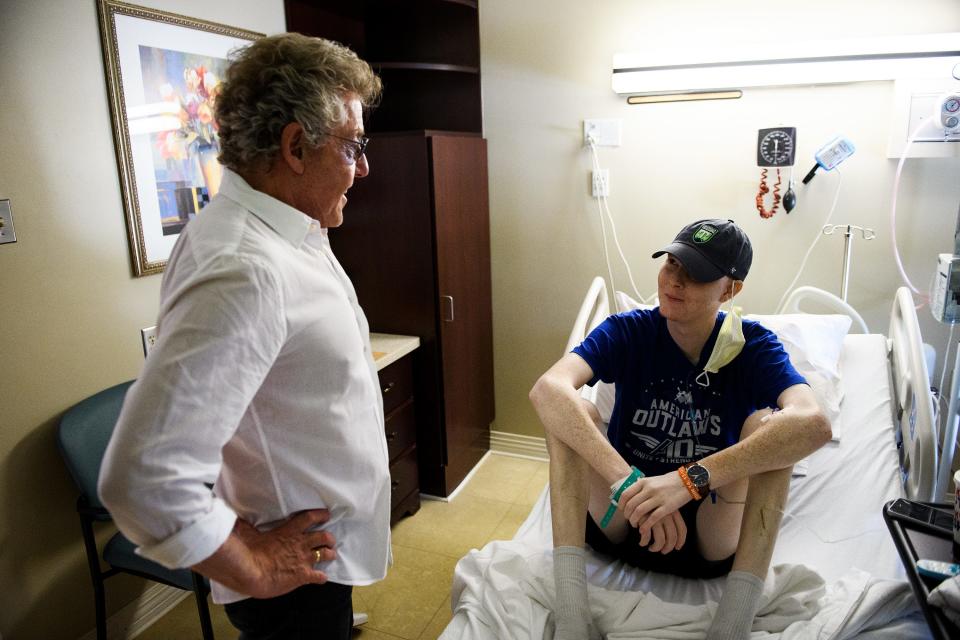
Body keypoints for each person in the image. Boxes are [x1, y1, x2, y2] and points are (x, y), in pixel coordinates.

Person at [99, 33, 386, 639]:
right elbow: (143, 476)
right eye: (353, 145)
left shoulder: (285, 234)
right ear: (295, 146)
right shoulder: (246, 266)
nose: (363, 166)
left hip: (321, 551)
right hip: (292, 581)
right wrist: (250, 565)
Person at [529, 219, 832, 640]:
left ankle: (733, 623)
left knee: (772, 429)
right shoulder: (630, 331)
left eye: (697, 273)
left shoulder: (752, 346)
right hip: (623, 516)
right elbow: (547, 390)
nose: (675, 280)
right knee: (568, 410)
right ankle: (572, 616)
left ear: (729, 290)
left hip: (710, 532)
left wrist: (686, 482)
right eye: (672, 263)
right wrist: (627, 482)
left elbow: (813, 424)